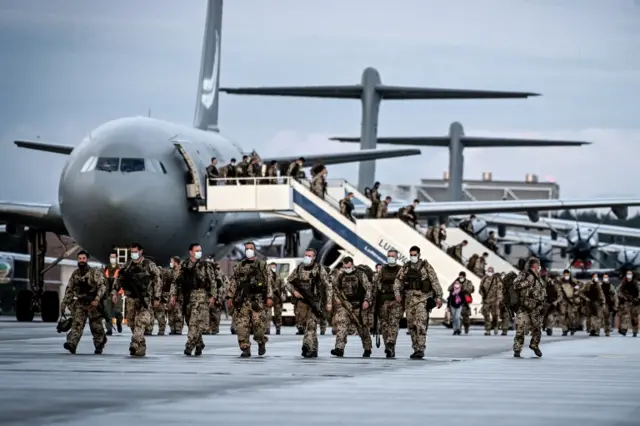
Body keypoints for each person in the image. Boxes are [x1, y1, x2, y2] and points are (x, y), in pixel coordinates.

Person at [113, 243, 163, 357]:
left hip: (145, 299)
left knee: (141, 321)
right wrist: (114, 293)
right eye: (132, 252)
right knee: (131, 323)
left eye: (136, 252)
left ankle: (134, 344)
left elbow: (158, 280)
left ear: (141, 251)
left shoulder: (149, 265)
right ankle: (141, 347)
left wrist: (157, 297)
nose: (134, 254)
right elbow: (119, 279)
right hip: (131, 299)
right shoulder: (127, 265)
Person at [393, 245, 443, 359]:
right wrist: (397, 293)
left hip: (422, 300)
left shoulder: (426, 267)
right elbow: (398, 281)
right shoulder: (406, 267)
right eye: (411, 255)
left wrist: (439, 296)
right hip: (409, 301)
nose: (413, 257)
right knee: (411, 326)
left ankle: (421, 348)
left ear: (419, 254)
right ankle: (415, 348)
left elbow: (434, 281)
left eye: (415, 255)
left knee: (420, 325)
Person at [226, 242, 274, 357]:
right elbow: (233, 282)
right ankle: (245, 348)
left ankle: (261, 341)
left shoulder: (262, 265)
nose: (248, 250)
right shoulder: (239, 266)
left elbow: (269, 282)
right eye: (246, 248)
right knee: (241, 327)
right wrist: (230, 297)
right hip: (243, 301)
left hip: (258, 301)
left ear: (255, 249)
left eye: (251, 248)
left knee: (258, 328)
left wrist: (269, 297)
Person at [170, 243, 218, 356]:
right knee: (190, 322)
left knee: (194, 323)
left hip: (201, 297)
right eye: (196, 250)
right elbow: (175, 281)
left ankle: (189, 345)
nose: (199, 252)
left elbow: (213, 282)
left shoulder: (206, 265)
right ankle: (199, 343)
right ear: (190, 252)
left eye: (200, 250)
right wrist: (173, 295)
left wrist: (213, 296)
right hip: (187, 298)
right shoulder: (184, 264)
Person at [286, 248, 332, 358]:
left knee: (311, 326)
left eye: (309, 255)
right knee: (305, 326)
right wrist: (294, 292)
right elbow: (288, 282)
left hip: (315, 302)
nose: (307, 257)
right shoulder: (299, 268)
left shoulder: (319, 269)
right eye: (306, 255)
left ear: (314, 257)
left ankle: (307, 346)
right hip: (302, 303)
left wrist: (329, 302)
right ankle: (313, 349)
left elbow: (328, 286)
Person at [60, 250, 108, 354]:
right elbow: (69, 290)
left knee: (96, 326)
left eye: (83, 258)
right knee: (77, 323)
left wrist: (97, 299)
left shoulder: (95, 273)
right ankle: (72, 344)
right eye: (80, 259)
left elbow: (102, 287)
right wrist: (64, 303)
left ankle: (99, 344)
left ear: (87, 259)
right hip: (81, 303)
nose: (81, 261)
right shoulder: (75, 274)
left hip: (93, 304)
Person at [330, 256, 372, 358]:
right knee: (341, 323)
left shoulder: (360, 275)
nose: (346, 269)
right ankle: (339, 348)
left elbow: (369, 289)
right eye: (345, 267)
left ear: (352, 265)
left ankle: (367, 348)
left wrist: (367, 300)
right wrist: (338, 299)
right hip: (345, 305)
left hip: (359, 305)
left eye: (348, 267)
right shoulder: (340, 276)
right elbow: (335, 289)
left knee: (362, 328)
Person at [512, 257, 546, 358]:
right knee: (520, 328)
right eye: (538, 265)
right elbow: (516, 285)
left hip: (536, 307)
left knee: (537, 329)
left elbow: (542, 291)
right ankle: (517, 348)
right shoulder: (524, 275)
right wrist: (528, 280)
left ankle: (534, 345)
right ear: (534, 266)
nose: (539, 267)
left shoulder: (539, 278)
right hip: (524, 306)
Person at [374, 250, 403, 358]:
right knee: (385, 326)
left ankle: (390, 344)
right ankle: (389, 348)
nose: (391, 258)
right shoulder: (383, 270)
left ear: (396, 257)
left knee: (393, 323)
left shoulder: (401, 270)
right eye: (389, 256)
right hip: (384, 301)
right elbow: (376, 284)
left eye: (393, 256)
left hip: (396, 301)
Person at [479, 266, 503, 335]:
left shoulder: (496, 279)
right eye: (488, 271)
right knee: (486, 315)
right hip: (486, 300)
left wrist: (499, 299)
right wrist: (483, 294)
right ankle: (488, 329)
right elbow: (480, 289)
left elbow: (499, 289)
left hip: (494, 301)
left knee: (495, 315)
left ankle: (495, 326)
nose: (489, 272)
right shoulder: (484, 279)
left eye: (490, 271)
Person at [103, 251, 122, 335]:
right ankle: (109, 329)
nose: (112, 259)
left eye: (114, 257)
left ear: (117, 258)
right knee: (108, 312)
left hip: (118, 293)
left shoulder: (120, 269)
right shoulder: (106, 268)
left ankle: (119, 322)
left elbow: (121, 282)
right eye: (111, 257)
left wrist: (116, 292)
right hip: (108, 293)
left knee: (117, 311)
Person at [617, 270, 640, 337]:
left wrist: (637, 299)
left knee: (634, 317)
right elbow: (619, 291)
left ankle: (635, 331)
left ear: (632, 275)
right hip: (626, 301)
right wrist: (623, 297)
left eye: (630, 274)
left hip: (635, 302)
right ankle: (624, 329)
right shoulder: (623, 283)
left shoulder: (636, 283)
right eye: (627, 274)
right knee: (625, 315)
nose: (629, 275)